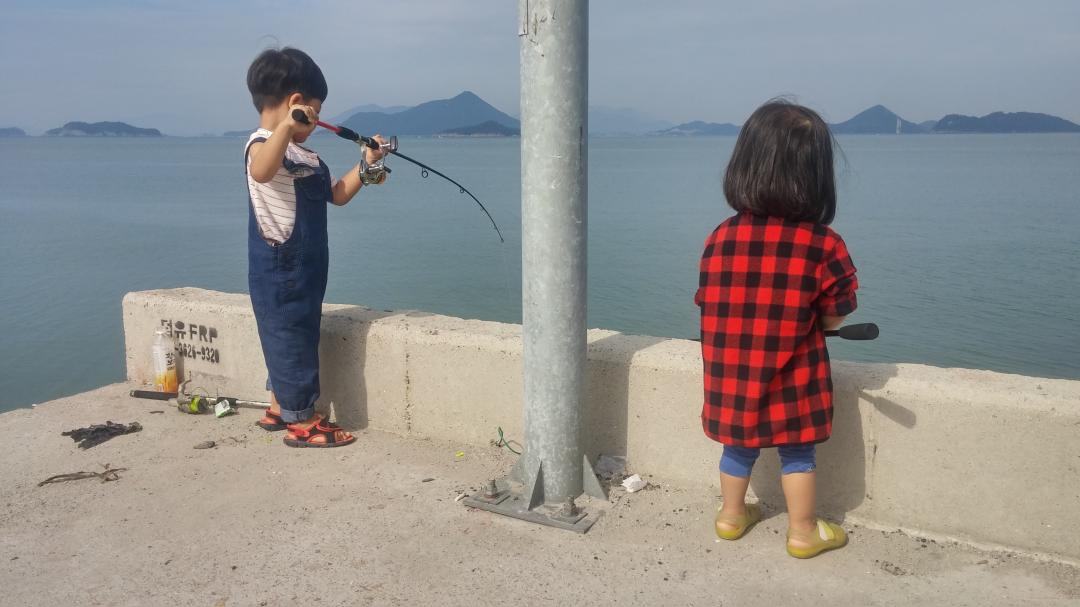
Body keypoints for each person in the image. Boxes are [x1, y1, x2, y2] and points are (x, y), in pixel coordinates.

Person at [695, 100, 859, 558]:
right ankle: (802, 531)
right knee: (798, 454)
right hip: (795, 378)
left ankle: (731, 517)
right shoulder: (823, 244)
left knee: (737, 447)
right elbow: (837, 311)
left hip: (732, 377)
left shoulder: (720, 237)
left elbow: (708, 299)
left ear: (745, 166)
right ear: (817, 176)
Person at [244, 47, 388, 447]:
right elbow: (261, 171)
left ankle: (280, 406)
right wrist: (287, 127)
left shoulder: (304, 153)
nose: (317, 121)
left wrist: (368, 164)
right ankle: (302, 421)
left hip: (309, 263)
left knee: (300, 333)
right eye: (316, 111)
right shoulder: (262, 144)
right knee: (288, 334)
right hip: (280, 264)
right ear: (297, 103)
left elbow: (337, 195)